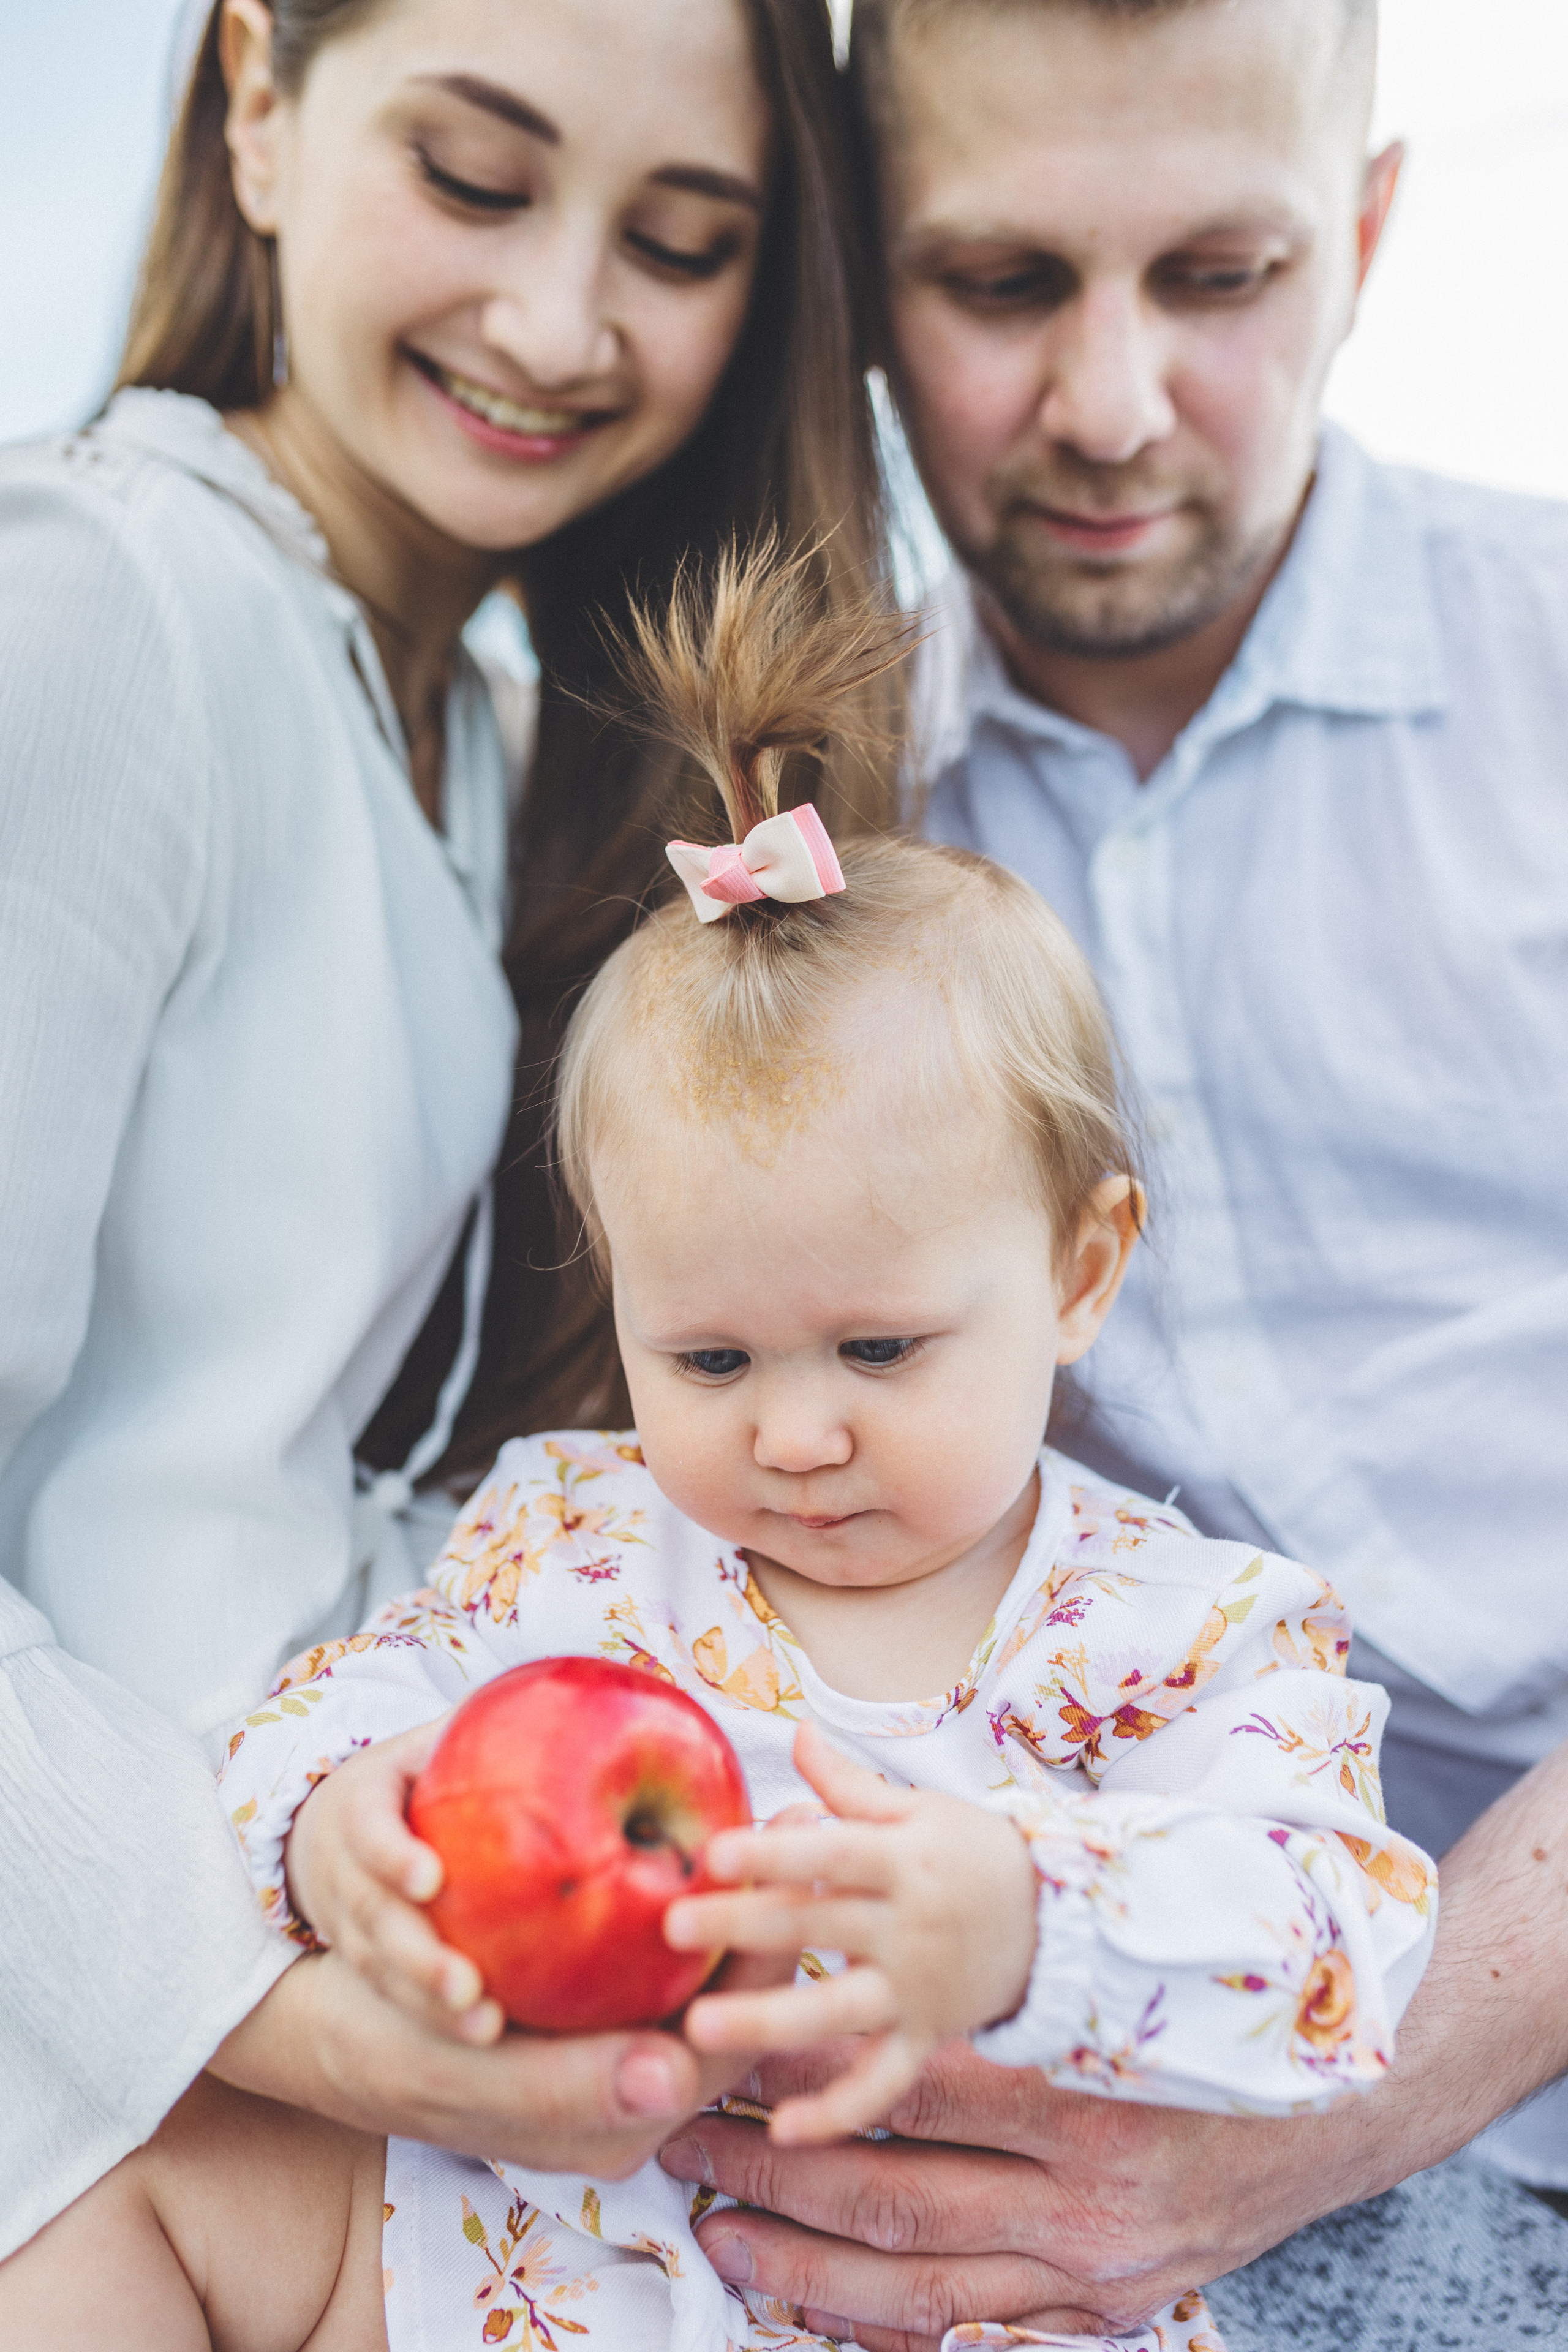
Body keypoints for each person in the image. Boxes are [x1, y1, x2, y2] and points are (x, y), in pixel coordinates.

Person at [0, 548, 1436, 2352]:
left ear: (1080, 1273)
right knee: (110, 2194)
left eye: (885, 1347)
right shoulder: (575, 1537)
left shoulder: (1186, 1632)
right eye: (708, 1354)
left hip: (913, 2302)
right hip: (512, 2257)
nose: (800, 1428)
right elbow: (344, 1702)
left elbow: (1340, 1939)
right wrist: (331, 1832)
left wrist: (1027, 1918)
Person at [650, 0, 1568, 2341]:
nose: (1115, 406)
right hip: (1085, 2038)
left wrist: (1350, 2107)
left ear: (1363, 235)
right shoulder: (791, 871)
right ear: (866, 275)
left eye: (1224, 278)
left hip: (1360, 2082)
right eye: (1003, 282)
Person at [0, 0, 898, 2263]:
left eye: (681, 241)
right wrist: (274, 2019)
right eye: (477, 178)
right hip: (98, 2055)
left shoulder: (489, 728)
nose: (555, 317)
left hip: (339, 1953)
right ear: (259, 100)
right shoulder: (93, 603)